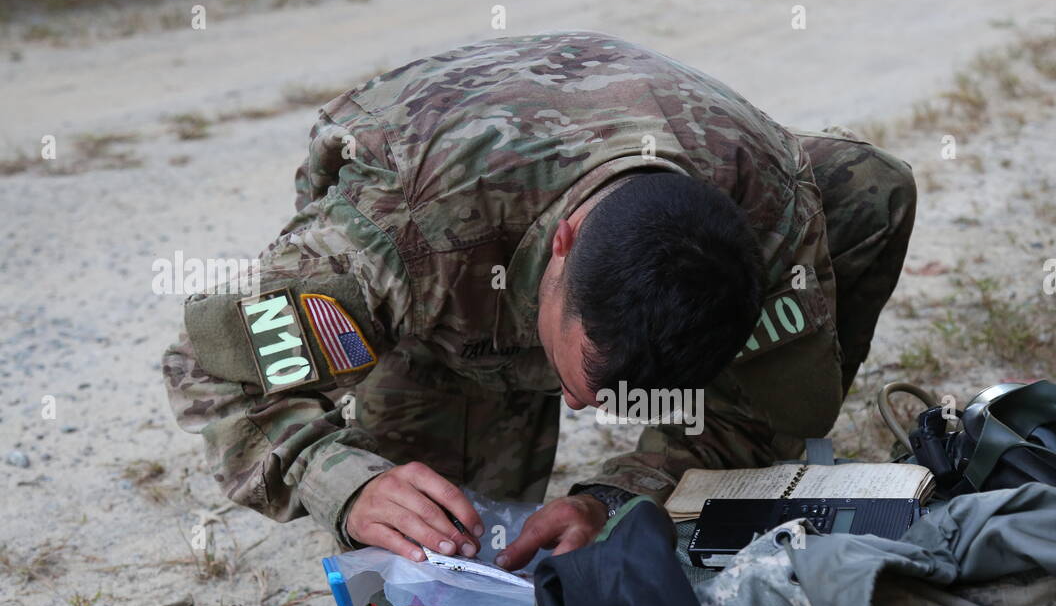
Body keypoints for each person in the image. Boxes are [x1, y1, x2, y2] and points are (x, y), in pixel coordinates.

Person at [163, 31, 915, 570]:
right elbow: (208, 368)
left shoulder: (771, 209)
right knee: (442, 577)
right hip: (457, 259)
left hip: (634, 176)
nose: (585, 409)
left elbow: (760, 417)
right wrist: (344, 482)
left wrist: (612, 499)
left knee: (869, 181)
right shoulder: (400, 240)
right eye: (583, 375)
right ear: (566, 243)